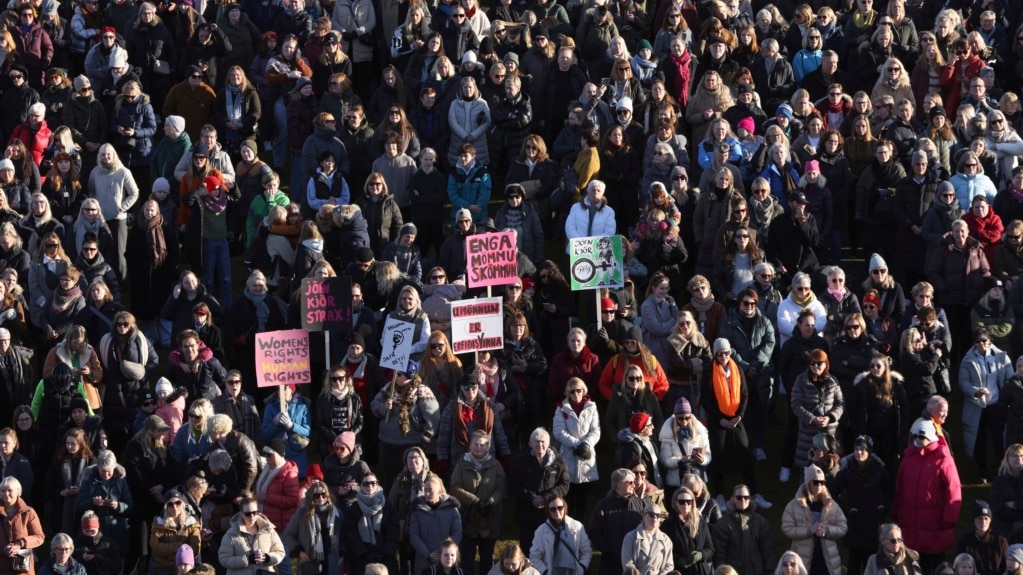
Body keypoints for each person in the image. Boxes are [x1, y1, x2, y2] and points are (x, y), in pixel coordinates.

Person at [702, 338, 768, 507]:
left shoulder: (737, 368)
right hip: (719, 422)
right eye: (720, 353)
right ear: (716, 354)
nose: (724, 356)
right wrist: (720, 419)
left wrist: (740, 416)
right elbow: (706, 400)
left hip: (737, 420)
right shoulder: (709, 372)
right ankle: (719, 496)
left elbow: (745, 394)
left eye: (726, 353)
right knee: (718, 459)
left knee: (746, 456)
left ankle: (755, 493)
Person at [891, 418, 962, 574]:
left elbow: (953, 490)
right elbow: (900, 487)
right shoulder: (909, 457)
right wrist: (896, 512)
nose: (918, 440)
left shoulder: (943, 458)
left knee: (936, 566)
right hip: (911, 522)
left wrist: (949, 519)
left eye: (921, 436)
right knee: (913, 565)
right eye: (916, 436)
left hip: (935, 524)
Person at [960, 327, 1013, 482]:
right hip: (977, 405)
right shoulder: (967, 359)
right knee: (979, 438)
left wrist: (1006, 396)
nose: (981, 344)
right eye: (978, 341)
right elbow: (963, 382)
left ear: (990, 340)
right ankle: (982, 470)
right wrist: (975, 391)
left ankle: (1001, 467)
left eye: (984, 340)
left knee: (999, 437)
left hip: (997, 404)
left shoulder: (1002, 356)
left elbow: (1010, 378)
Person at [508, 428, 570, 553]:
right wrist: (531, 498)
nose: (539, 445)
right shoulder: (520, 461)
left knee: (550, 551)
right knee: (528, 551)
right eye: (536, 442)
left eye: (542, 442)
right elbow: (513, 485)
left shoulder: (559, 462)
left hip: (550, 514)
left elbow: (564, 485)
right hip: (526, 514)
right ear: (530, 443)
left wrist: (545, 498)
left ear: (548, 443)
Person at [780, 464, 848, 575]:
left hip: (827, 558)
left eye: (822, 482)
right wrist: (809, 530)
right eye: (816, 482)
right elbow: (787, 528)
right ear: (808, 482)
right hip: (803, 557)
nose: (819, 485)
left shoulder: (831, 504)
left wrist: (827, 531)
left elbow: (843, 527)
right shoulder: (794, 505)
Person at [712, 484, 774, 574]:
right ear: (733, 498)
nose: (743, 500)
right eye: (739, 497)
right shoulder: (723, 523)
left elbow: (767, 549)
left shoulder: (760, 521)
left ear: (750, 499)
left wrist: (769, 570)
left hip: (756, 571)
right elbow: (719, 553)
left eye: (746, 497)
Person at [218, 496, 287, 575]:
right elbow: (224, 559)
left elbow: (280, 552)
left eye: (255, 513)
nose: (252, 517)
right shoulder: (232, 533)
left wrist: (267, 558)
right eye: (248, 514)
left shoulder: (269, 530)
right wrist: (247, 559)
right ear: (241, 514)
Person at [528, 496, 592, 575]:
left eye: (560, 508)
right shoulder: (541, 531)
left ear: (565, 507)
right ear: (548, 511)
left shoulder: (577, 527)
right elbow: (534, 556)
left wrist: (582, 567)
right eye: (553, 509)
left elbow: (586, 551)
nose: (557, 511)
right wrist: (545, 572)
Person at [148, 490, 201, 575]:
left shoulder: (192, 522)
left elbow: (195, 549)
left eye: (178, 503)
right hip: (163, 567)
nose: (175, 507)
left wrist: (171, 555)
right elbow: (156, 548)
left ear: (183, 504)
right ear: (166, 507)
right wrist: (180, 547)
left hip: (185, 568)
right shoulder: (158, 522)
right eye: (170, 504)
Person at [956, 500, 1007, 575]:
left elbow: (1006, 567)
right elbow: (959, 567)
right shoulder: (964, 542)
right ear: (974, 520)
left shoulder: (1001, 541)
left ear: (990, 521)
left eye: (986, 518)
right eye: (980, 518)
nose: (983, 522)